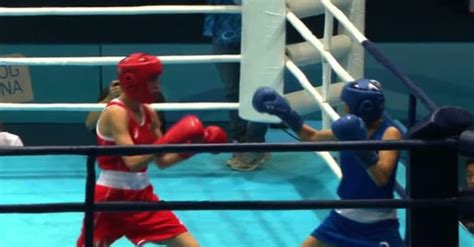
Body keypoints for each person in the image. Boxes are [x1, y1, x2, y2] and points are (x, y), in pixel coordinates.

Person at [76, 52, 228, 247]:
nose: (157, 86)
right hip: (110, 199)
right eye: (152, 80)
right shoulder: (116, 112)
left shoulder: (150, 112)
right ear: (132, 81)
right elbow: (132, 162)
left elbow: (162, 161)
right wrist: (168, 140)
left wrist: (193, 148)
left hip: (142, 195)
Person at [252, 79, 405, 247]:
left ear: (362, 107)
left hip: (378, 223)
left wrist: (361, 147)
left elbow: (381, 177)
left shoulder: (389, 133)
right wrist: (285, 114)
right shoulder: (348, 129)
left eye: (346, 104)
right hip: (343, 219)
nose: (344, 109)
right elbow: (311, 137)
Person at [203, 0, 270, 171]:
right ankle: (240, 143)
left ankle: (255, 144)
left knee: (260, 90)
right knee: (232, 91)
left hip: (259, 32)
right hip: (223, 32)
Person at [85, 80, 167, 134]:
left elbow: (156, 129)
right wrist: (109, 98)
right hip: (115, 147)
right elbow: (90, 124)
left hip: (144, 145)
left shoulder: (154, 94)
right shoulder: (112, 91)